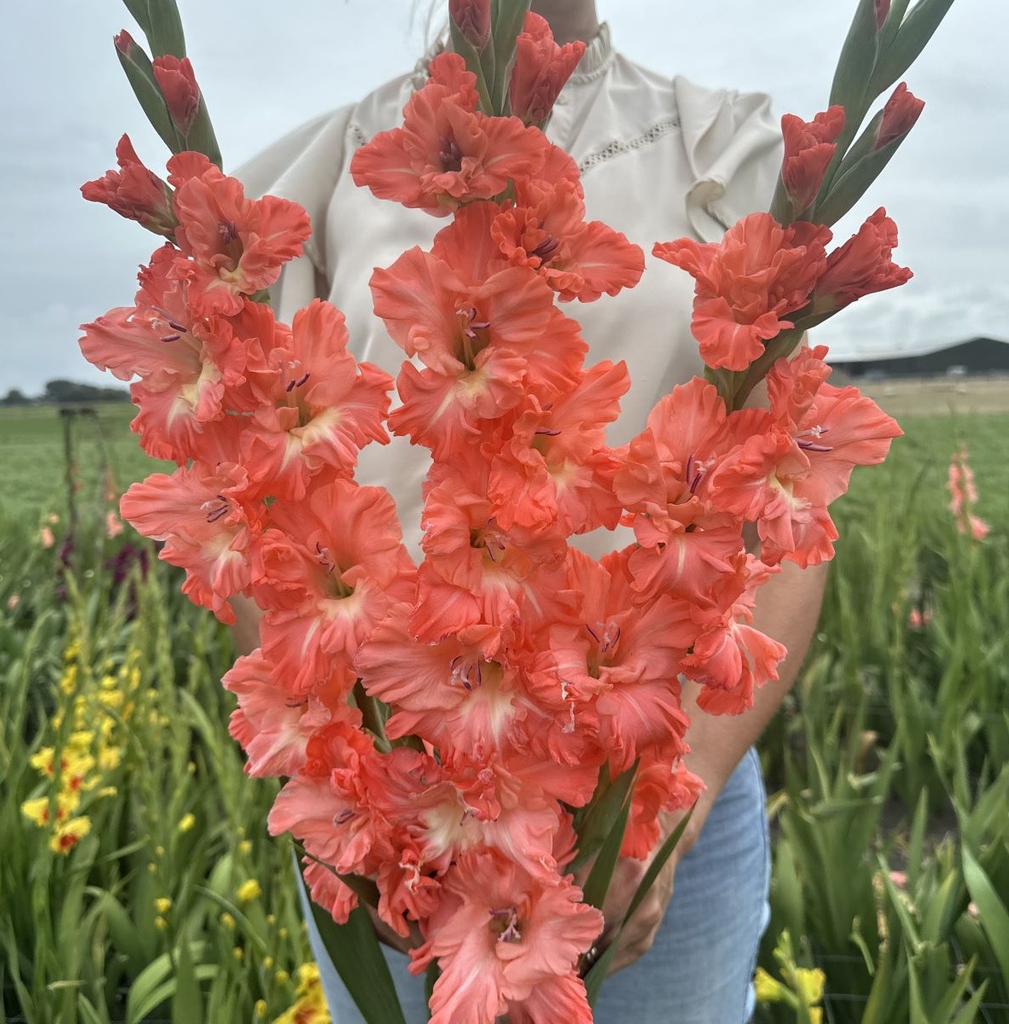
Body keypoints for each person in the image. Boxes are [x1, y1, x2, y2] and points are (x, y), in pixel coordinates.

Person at [234, 2, 829, 1021]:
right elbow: (264, 526)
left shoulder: (729, 148)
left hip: (655, 791)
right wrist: (349, 805)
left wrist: (651, 819)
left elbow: (789, 505)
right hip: (396, 802)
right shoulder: (314, 174)